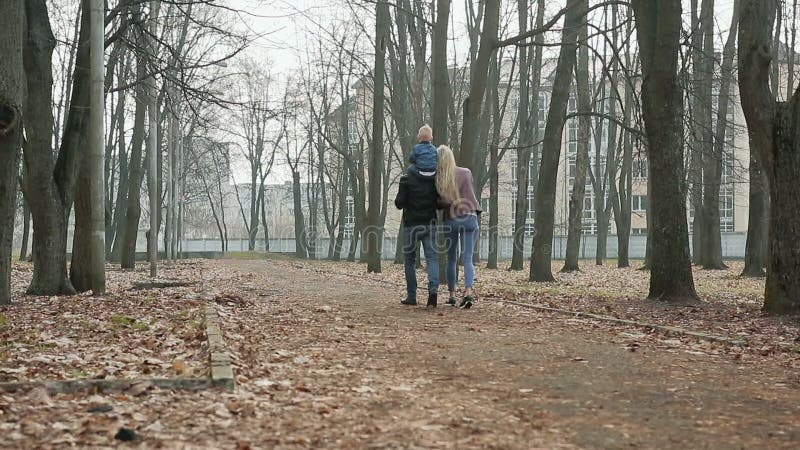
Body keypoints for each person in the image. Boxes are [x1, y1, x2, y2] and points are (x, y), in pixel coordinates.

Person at [395, 131, 440, 308]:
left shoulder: (407, 177)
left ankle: (412, 296)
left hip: (411, 224)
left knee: (410, 260)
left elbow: (399, 203)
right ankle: (433, 293)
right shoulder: (436, 179)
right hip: (430, 223)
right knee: (432, 258)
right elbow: (440, 203)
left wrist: (405, 198)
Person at [436, 145, 481, 309]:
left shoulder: (441, 178)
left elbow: (441, 203)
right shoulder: (466, 172)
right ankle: (468, 293)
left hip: (451, 219)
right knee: (467, 257)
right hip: (469, 216)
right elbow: (470, 193)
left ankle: (452, 296)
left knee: (451, 258)